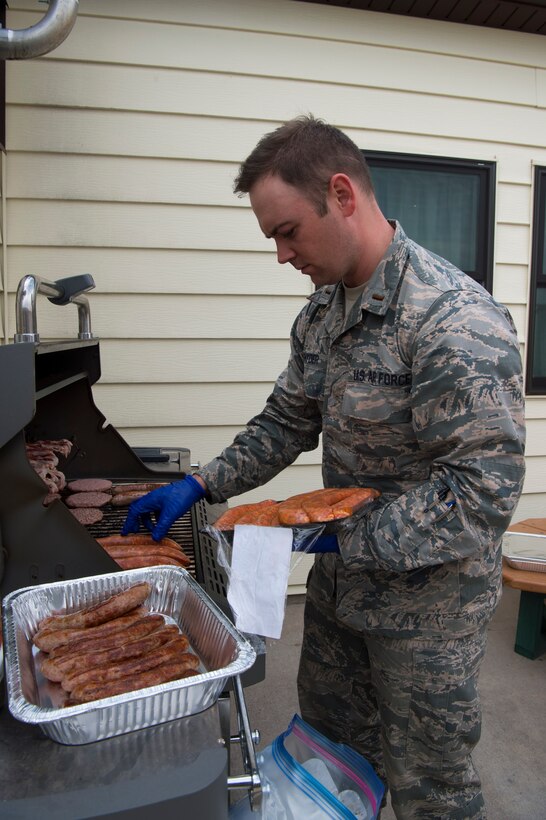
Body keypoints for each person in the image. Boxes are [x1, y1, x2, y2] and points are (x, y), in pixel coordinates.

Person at [123, 115, 526, 818]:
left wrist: (341, 536)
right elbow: (286, 421)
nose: (281, 253)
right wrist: (201, 483)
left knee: (431, 790)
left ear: (342, 195)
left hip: (426, 619)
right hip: (342, 600)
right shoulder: (323, 313)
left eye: (287, 231)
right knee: (331, 765)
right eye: (272, 237)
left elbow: (479, 495)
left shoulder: (452, 319)